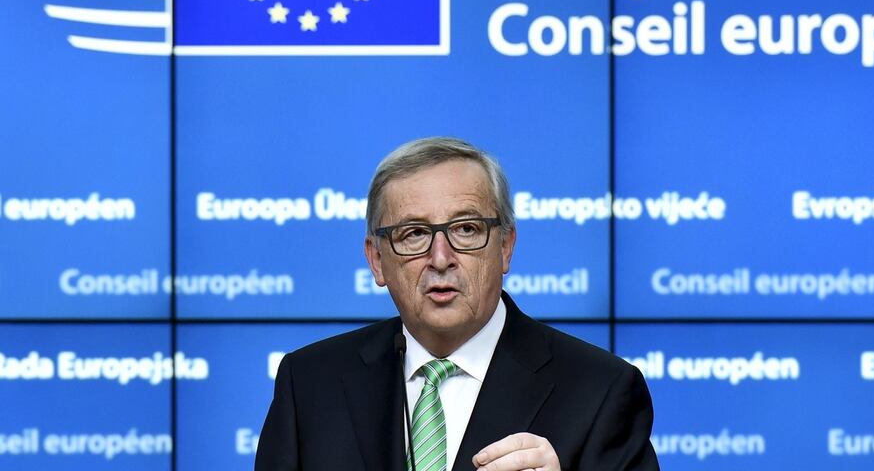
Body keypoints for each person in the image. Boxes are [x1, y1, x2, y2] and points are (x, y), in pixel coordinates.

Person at [255, 137, 658, 471]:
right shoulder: (308, 384)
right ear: (377, 260)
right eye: (413, 234)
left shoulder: (601, 391)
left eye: (466, 229)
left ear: (506, 247)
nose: (441, 257)